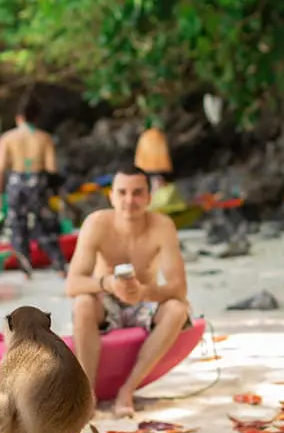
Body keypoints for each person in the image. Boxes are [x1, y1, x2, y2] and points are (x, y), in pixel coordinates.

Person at [65, 164, 191, 417]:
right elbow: (73, 284)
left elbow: (179, 288)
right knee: (82, 303)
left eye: (137, 193)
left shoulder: (162, 226)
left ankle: (127, 391)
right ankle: (86, 394)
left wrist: (142, 292)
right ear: (111, 196)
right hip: (107, 298)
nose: (129, 200)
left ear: (148, 197)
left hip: (143, 299)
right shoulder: (97, 223)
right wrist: (108, 284)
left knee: (178, 309)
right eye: (122, 193)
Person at [0, 97, 66, 276]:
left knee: (18, 224)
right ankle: (58, 264)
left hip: (16, 181)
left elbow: (1, 166)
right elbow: (51, 167)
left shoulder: (8, 138)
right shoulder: (44, 138)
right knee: (44, 222)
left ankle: (25, 266)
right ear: (36, 118)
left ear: (19, 117)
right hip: (38, 182)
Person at [134, 116, 173, 193]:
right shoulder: (159, 135)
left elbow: (140, 155)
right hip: (159, 167)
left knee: (154, 185)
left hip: (147, 168)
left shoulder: (145, 136)